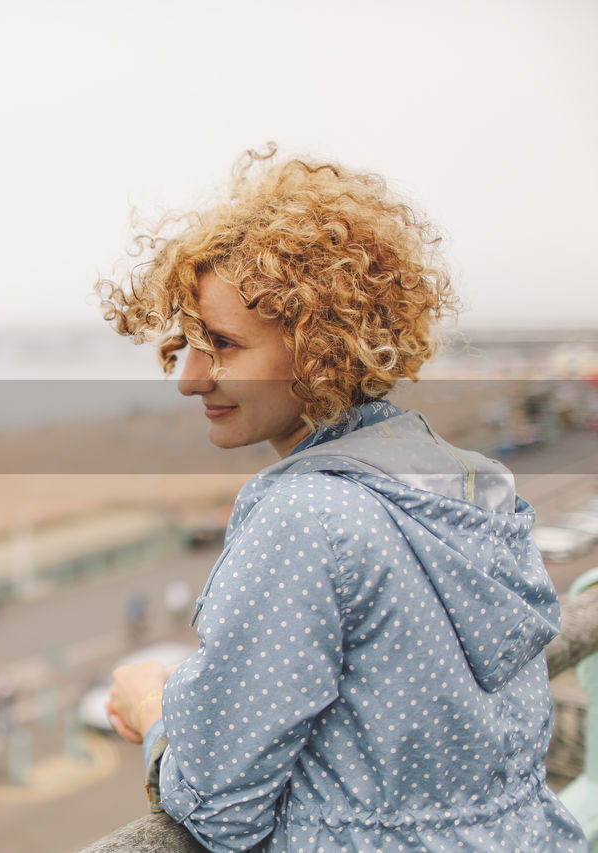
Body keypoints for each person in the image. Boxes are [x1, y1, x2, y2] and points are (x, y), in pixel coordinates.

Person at [99, 146, 585, 851]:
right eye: (186, 345)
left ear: (322, 346)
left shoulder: (307, 519)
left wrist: (153, 709)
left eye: (223, 346)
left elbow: (217, 803)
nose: (189, 378)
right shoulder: (473, 486)